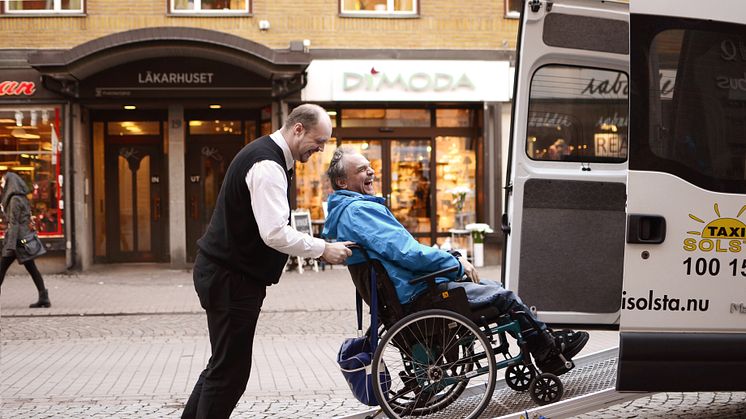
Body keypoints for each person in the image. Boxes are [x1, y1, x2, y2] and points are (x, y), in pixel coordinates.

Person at [322, 147, 588, 375]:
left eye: (370, 167)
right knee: (503, 297)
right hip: (416, 294)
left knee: (492, 286)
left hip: (407, 292)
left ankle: (548, 341)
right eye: (361, 169)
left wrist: (449, 260)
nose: (370, 172)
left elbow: (403, 252)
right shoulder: (360, 212)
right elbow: (408, 254)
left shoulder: (349, 212)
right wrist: (456, 264)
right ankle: (549, 354)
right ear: (343, 182)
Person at [182, 104, 353, 419]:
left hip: (226, 274)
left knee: (222, 367)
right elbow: (274, 233)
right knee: (230, 375)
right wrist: (323, 249)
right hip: (231, 278)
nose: (321, 149)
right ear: (298, 129)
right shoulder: (267, 164)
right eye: (319, 140)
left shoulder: (271, 157)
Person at [0, 172, 50, 308]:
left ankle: (44, 297)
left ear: (11, 182)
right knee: (32, 268)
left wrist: (10, 245)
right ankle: (44, 297)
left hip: (17, 241)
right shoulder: (21, 197)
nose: (1, 183)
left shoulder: (15, 199)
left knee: (2, 268)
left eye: (3, 181)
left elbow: (15, 223)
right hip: (21, 240)